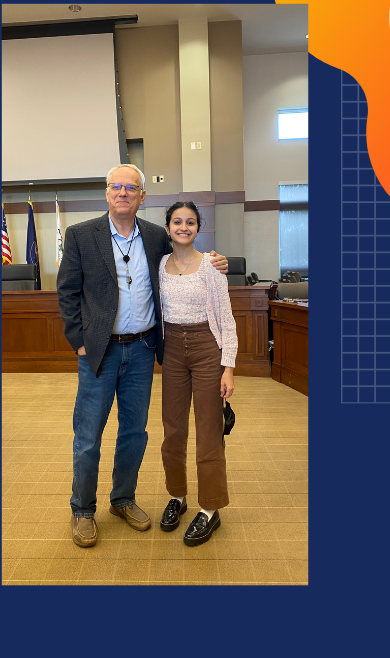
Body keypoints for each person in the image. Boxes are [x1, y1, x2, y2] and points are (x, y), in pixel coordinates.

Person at [56, 163, 227, 548]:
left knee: (134, 433)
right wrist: (79, 341)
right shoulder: (81, 235)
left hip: (143, 348)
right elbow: (66, 292)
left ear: (142, 196)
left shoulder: (154, 236)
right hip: (99, 352)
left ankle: (122, 499)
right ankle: (82, 509)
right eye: (116, 186)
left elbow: (184, 259)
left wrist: (218, 261)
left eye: (131, 187)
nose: (123, 193)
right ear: (107, 192)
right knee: (88, 436)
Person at [157, 201, 237, 547]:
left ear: (198, 228)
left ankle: (210, 508)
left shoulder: (212, 266)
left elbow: (227, 320)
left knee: (209, 431)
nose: (184, 227)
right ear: (168, 228)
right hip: (172, 351)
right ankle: (178, 496)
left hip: (207, 349)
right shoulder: (159, 265)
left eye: (190, 222)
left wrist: (228, 368)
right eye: (177, 221)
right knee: (173, 430)